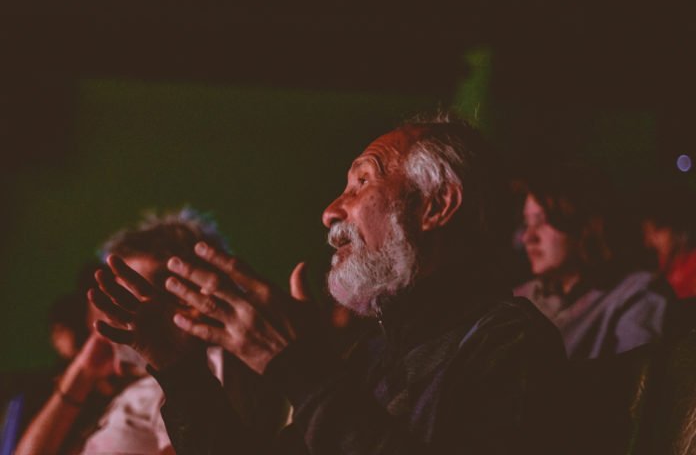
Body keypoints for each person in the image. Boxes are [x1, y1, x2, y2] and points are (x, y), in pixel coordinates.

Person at [93, 114, 568, 454]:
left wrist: (298, 367)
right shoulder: (374, 353)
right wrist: (182, 372)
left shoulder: (510, 342)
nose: (331, 211)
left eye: (362, 182)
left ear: (437, 206)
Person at [17, 209, 286, 454]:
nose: (110, 316)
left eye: (125, 297)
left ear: (187, 300)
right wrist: (81, 373)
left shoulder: (203, 375)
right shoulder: (131, 391)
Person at [514, 166, 670, 359]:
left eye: (543, 221)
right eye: (526, 224)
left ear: (583, 224)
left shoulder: (634, 294)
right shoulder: (521, 298)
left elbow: (637, 372)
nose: (528, 237)